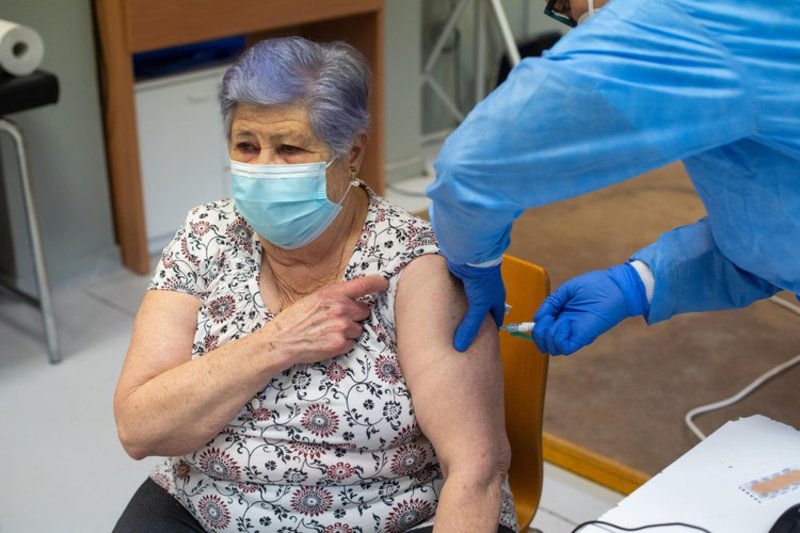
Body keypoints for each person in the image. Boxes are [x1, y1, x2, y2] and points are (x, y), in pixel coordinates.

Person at [113, 37, 518, 532]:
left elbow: (477, 469)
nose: (262, 168)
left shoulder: (414, 264)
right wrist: (276, 343)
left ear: (352, 152)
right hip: (204, 507)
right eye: (246, 146)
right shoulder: (205, 236)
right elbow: (138, 428)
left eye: (289, 149)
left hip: (385, 517)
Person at [426, 0, 800, 354]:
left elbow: (470, 170)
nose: (572, 19)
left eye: (564, 4)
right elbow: (775, 226)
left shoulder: (691, 19)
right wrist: (638, 282)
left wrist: (474, 263)